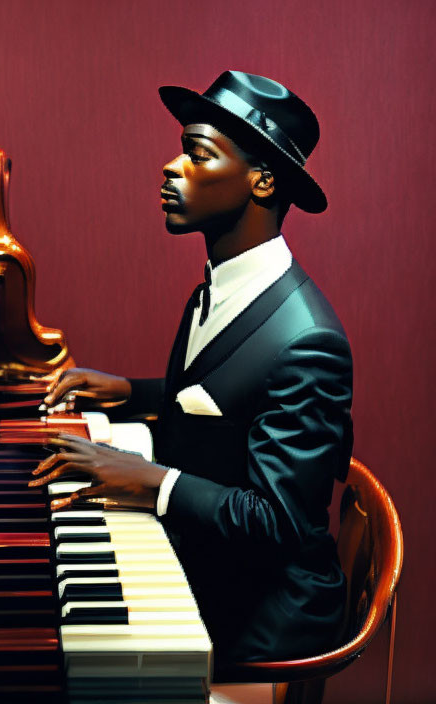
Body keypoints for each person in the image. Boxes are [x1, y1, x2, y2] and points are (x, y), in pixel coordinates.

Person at [29, 71, 351, 669]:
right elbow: (230, 396)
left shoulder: (309, 342)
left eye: (197, 154)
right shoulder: (224, 285)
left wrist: (146, 479)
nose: (171, 168)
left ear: (262, 180)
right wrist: (129, 392)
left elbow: (278, 523)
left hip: (265, 618)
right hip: (217, 563)